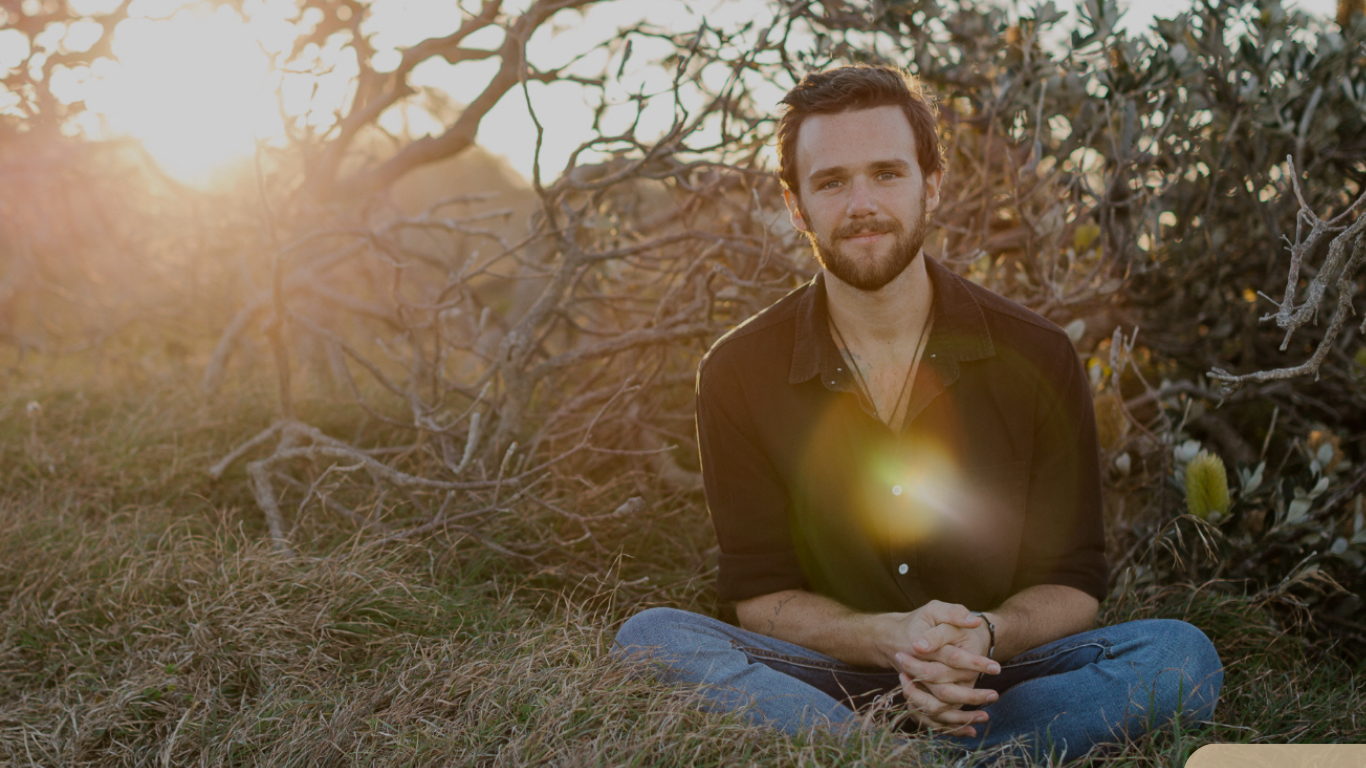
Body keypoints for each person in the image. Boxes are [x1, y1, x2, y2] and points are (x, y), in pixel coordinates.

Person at [613, 65, 1222, 762]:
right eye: (831, 182)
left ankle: (871, 759)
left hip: (995, 679)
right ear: (795, 204)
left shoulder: (1039, 354)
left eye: (886, 173)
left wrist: (981, 635)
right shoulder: (737, 371)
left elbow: (1073, 581)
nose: (862, 204)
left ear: (931, 185)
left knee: (1181, 657)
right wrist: (890, 639)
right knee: (650, 639)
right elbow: (760, 595)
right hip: (827, 684)